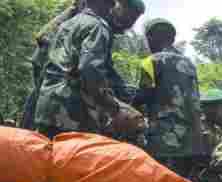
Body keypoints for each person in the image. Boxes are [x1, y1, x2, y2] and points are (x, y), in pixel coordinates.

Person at [24, 0, 145, 131]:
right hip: (69, 110)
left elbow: (104, 70)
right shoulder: (97, 26)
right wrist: (114, 107)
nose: (129, 23)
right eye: (128, 16)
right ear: (113, 6)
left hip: (48, 103)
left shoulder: (68, 24)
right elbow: (90, 70)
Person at [136, 18, 204, 177]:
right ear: (172, 39)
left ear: (150, 38)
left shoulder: (150, 61)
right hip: (190, 140)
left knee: (160, 181)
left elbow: (143, 95)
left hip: (162, 138)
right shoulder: (189, 64)